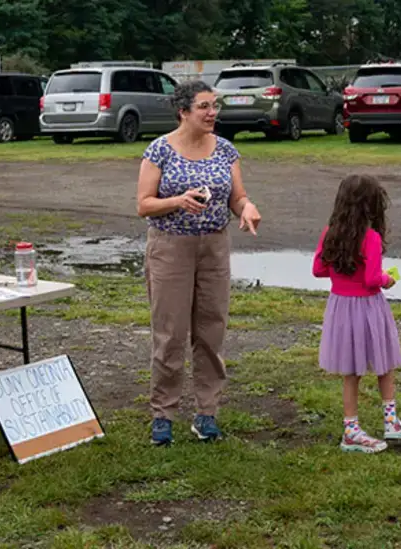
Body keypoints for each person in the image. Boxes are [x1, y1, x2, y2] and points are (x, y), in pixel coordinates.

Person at [137, 79, 262, 446]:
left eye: (214, 106)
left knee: (211, 331)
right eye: (205, 107)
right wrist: (177, 201)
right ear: (184, 111)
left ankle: (206, 414)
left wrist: (247, 208)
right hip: (170, 248)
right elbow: (143, 204)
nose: (212, 113)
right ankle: (164, 414)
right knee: (170, 333)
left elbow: (237, 197)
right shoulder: (159, 151)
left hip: (214, 248)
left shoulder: (225, 150)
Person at [312, 174, 401, 454]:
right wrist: (386, 279)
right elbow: (371, 279)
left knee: (351, 371)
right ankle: (391, 422)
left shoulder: (329, 232)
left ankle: (351, 428)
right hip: (368, 307)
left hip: (340, 307)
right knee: (384, 362)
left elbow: (318, 270)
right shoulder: (371, 238)